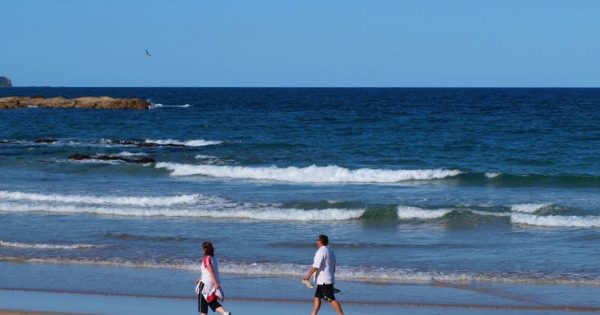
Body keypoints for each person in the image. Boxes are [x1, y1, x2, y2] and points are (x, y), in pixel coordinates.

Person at [303, 234, 344, 315]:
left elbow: (315, 266)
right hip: (327, 279)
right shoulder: (330, 251)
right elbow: (333, 267)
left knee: (330, 299)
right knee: (317, 298)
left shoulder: (321, 251)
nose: (316, 242)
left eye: (317, 240)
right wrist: (332, 279)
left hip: (324, 281)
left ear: (320, 242)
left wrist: (307, 277)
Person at [195, 241, 231, 315]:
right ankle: (225, 313)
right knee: (211, 301)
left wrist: (215, 283)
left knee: (203, 307)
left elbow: (210, 271)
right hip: (212, 282)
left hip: (206, 284)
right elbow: (209, 271)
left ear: (204, 249)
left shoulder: (206, 258)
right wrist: (201, 278)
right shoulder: (213, 258)